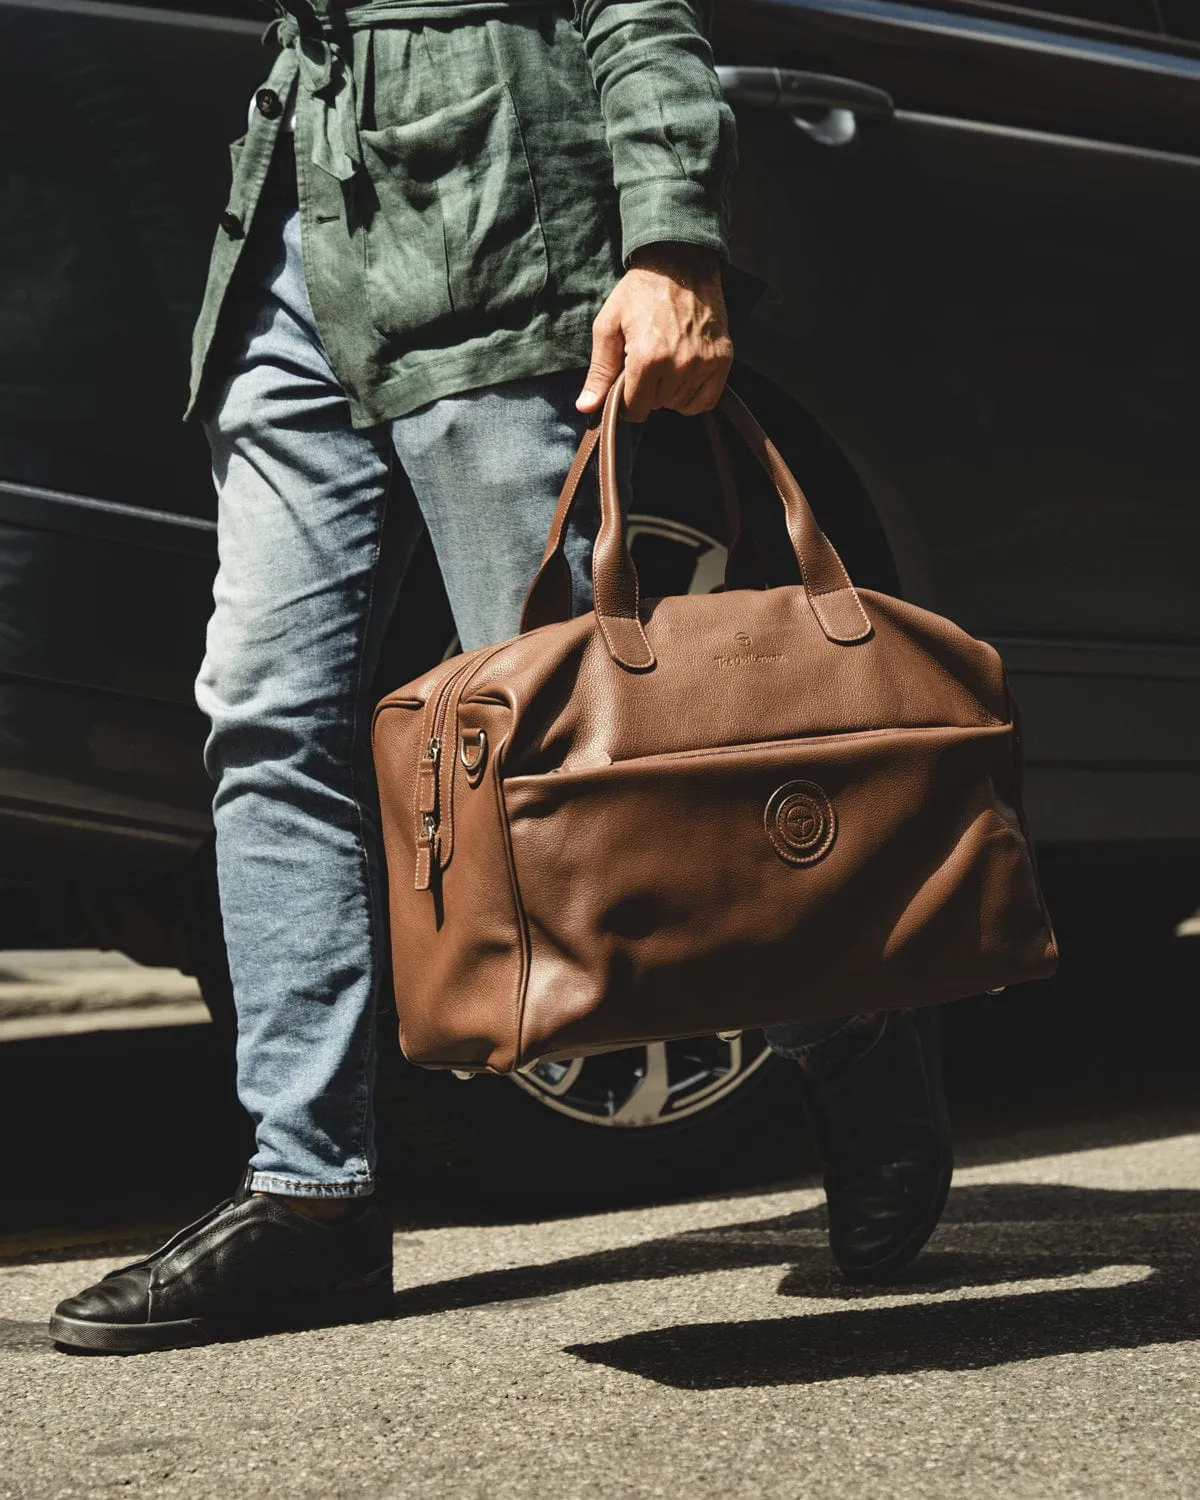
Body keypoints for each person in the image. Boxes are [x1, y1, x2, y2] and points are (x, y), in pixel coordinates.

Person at [49, 0, 951, 1355]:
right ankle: (312, 1200)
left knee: (586, 744)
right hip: (303, 257)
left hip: (494, 242)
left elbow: (635, 12)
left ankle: (842, 1033)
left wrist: (665, 237)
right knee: (265, 724)